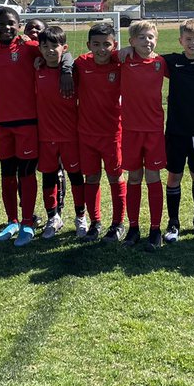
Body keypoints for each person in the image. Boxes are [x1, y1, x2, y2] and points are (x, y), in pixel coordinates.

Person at [0, 7, 71, 247]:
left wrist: (65, 70)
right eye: (1, 24)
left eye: (11, 23)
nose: (6, 27)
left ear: (19, 25)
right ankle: (12, 220)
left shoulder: (30, 48)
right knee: (7, 175)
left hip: (29, 124)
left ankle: (27, 221)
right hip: (2, 123)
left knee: (27, 174)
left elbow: (63, 52)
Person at [119, 20, 169, 251]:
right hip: (130, 130)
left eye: (150, 37)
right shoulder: (123, 60)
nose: (146, 41)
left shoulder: (160, 63)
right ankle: (133, 227)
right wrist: (121, 51)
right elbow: (101, 55)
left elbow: (187, 63)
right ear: (131, 41)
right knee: (134, 178)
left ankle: (156, 229)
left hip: (154, 131)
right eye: (141, 37)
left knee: (153, 177)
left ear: (156, 40)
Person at [161, 19, 194, 242]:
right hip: (176, 130)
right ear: (180, 40)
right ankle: (173, 222)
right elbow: (147, 56)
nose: (193, 43)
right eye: (188, 39)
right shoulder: (172, 62)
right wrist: (127, 49)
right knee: (174, 176)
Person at [74, 22, 124, 242]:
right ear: (88, 45)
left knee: (115, 176)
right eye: (96, 44)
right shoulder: (81, 64)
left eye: (107, 44)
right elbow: (62, 62)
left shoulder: (120, 64)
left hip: (112, 132)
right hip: (86, 133)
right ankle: (95, 222)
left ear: (114, 45)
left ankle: (118, 223)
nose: (102, 49)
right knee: (91, 176)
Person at [35, 25, 84, 240]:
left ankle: (81, 216)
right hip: (46, 137)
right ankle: (53, 217)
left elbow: (72, 56)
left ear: (63, 47)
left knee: (75, 178)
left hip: (70, 136)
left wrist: (66, 66)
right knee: (48, 178)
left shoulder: (74, 71)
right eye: (44, 46)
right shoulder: (36, 69)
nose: (49, 51)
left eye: (54, 46)